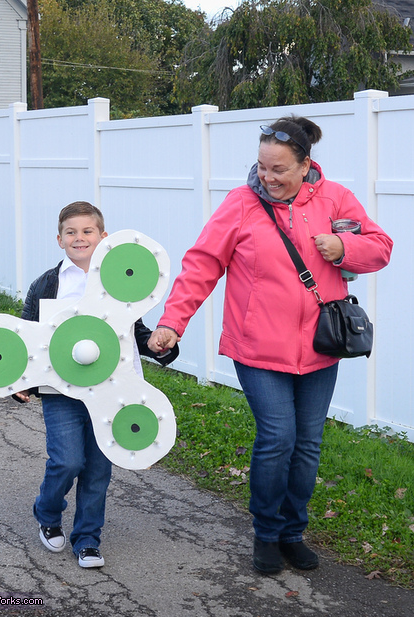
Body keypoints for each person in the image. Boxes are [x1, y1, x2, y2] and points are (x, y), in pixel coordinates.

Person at [148, 116, 393, 574]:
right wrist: (173, 324)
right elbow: (202, 264)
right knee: (278, 438)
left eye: (279, 169)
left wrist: (343, 247)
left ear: (305, 167)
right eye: (262, 166)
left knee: (308, 444)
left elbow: (381, 247)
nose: (268, 177)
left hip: (320, 348)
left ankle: (292, 531)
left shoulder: (336, 198)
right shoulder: (242, 203)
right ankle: (265, 534)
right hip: (257, 347)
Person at [15, 201, 178, 568]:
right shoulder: (48, 283)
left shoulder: (120, 282)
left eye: (87, 231)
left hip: (112, 391)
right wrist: (20, 380)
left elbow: (131, 333)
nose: (79, 238)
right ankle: (47, 511)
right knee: (68, 460)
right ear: (59, 239)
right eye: (71, 232)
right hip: (62, 392)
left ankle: (88, 539)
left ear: (103, 237)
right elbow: (28, 334)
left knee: (99, 469)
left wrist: (156, 344)